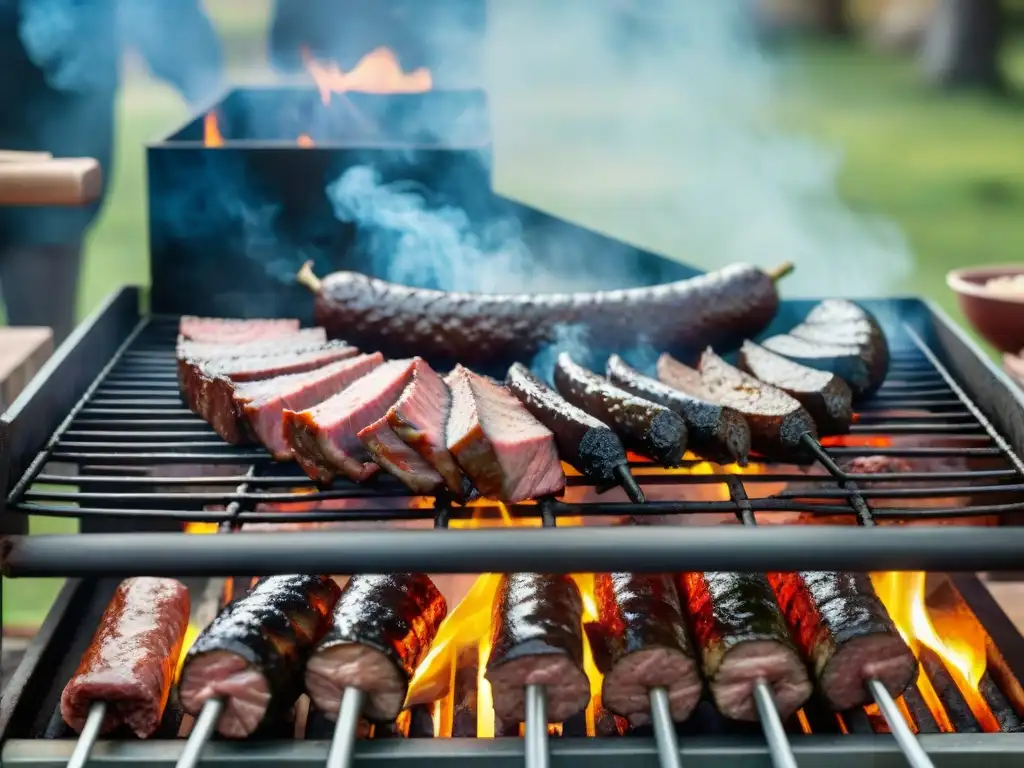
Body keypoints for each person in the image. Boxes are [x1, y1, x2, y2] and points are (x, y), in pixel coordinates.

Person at [0, 0, 224, 344]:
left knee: (41, 336)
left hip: (54, 127)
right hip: (43, 117)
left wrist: (206, 84)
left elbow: (166, 19)